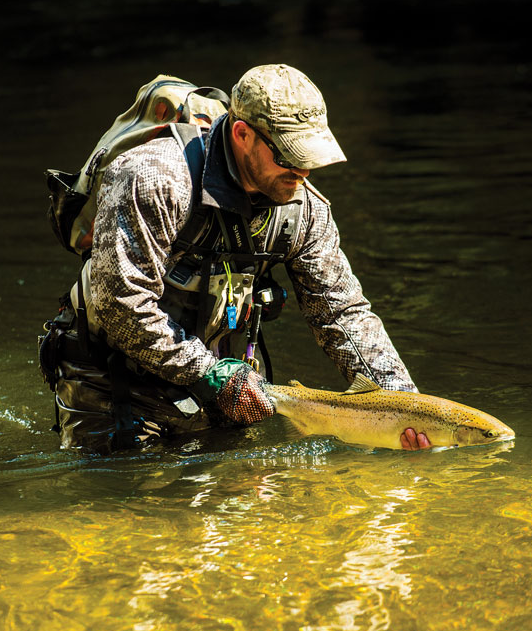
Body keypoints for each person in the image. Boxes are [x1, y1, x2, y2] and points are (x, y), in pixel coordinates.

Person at [45, 64, 431, 453]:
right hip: (111, 380)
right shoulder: (152, 178)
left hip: (222, 388)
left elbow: (341, 315)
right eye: (290, 155)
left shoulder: (304, 210)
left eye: (309, 155)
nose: (304, 170)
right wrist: (209, 373)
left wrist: (405, 406)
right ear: (242, 134)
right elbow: (123, 306)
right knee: (125, 503)